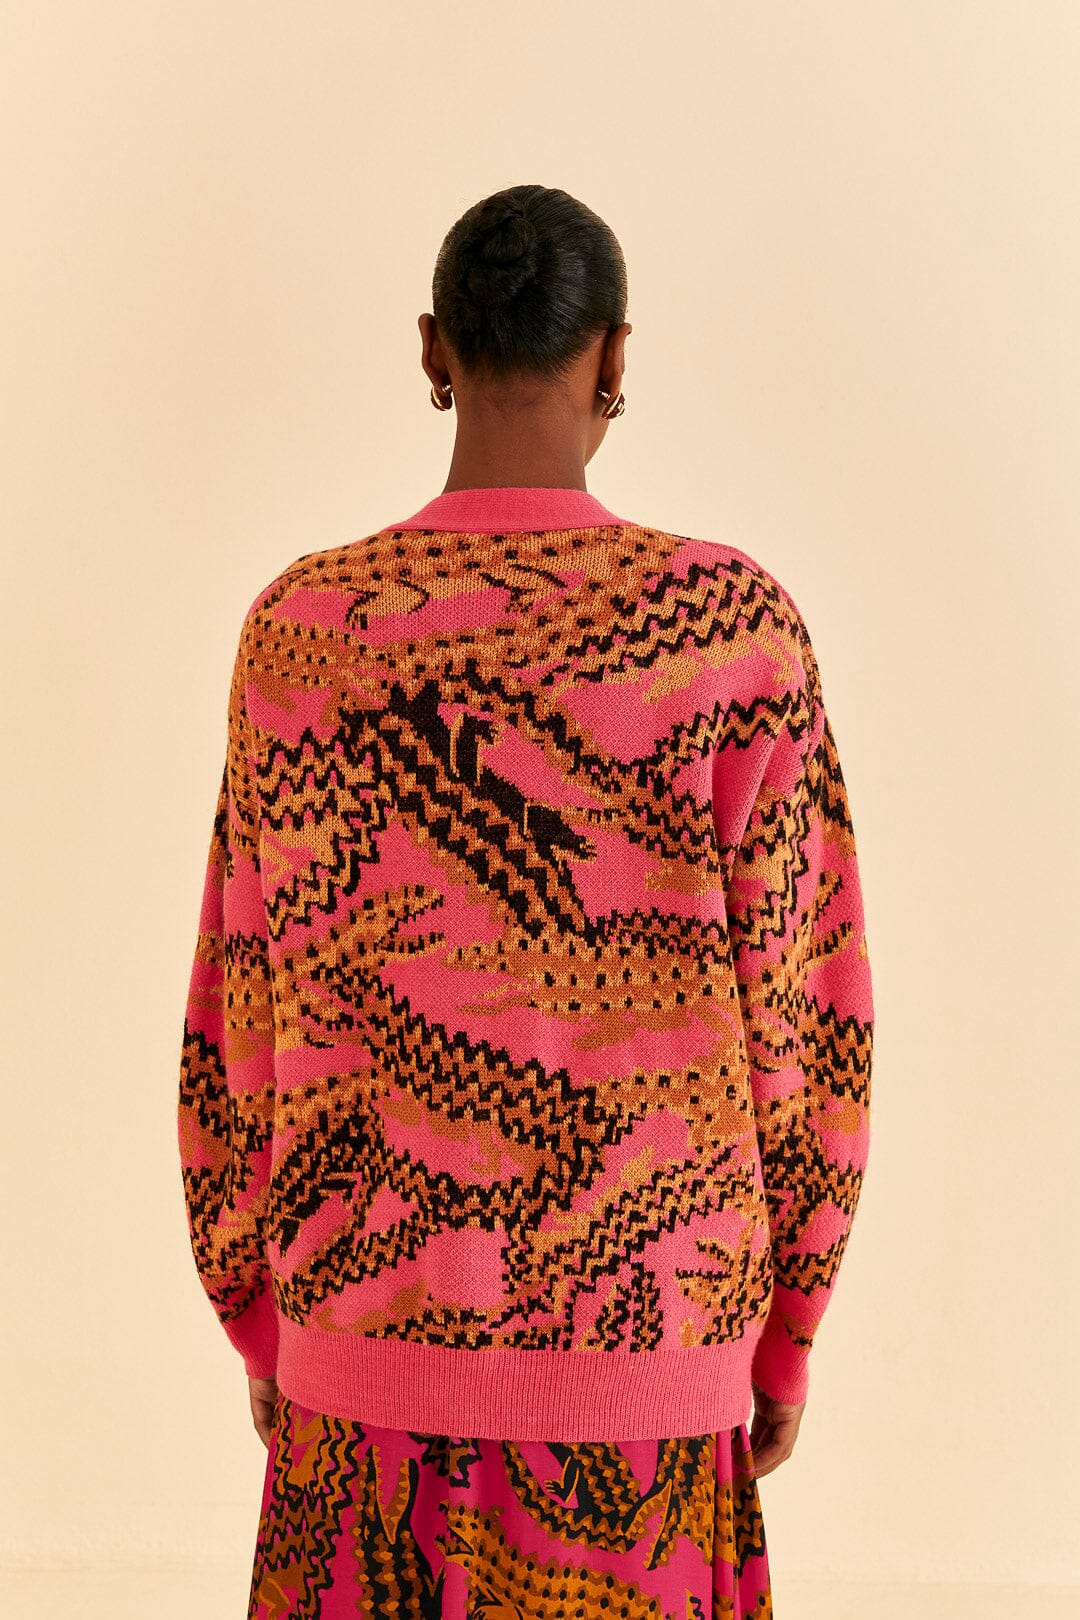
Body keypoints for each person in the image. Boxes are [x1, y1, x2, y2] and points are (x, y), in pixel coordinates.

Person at [177, 183, 874, 1618]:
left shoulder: (303, 632)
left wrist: (258, 1305)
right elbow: (813, 1018)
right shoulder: (726, 633)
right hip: (653, 1365)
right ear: (614, 357)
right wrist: (787, 1327)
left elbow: (235, 1012)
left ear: (434, 349)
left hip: (361, 1366)